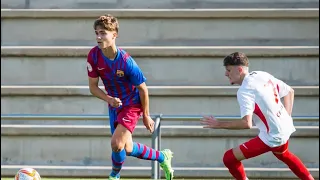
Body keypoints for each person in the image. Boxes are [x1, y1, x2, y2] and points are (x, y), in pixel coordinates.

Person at [201, 52, 314, 180]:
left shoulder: (244, 91)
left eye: (228, 70)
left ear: (239, 69)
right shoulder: (261, 74)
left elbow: (246, 123)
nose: (226, 74)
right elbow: (290, 91)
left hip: (272, 136)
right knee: (283, 154)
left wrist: (218, 124)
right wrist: (285, 117)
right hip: (285, 127)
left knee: (229, 158)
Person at [86, 14, 174, 180]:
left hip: (132, 104)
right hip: (114, 105)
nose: (98, 37)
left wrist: (146, 115)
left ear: (114, 35)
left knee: (116, 144)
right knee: (126, 148)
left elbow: (143, 89)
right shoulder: (93, 56)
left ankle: (114, 176)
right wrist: (109, 99)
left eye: (103, 33)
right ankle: (163, 157)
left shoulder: (126, 62)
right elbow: (92, 87)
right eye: (96, 32)